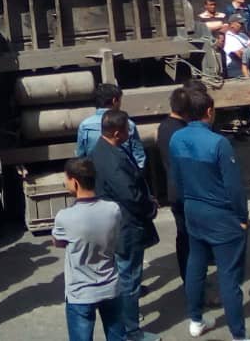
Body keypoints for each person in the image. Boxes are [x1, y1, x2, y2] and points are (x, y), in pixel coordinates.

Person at [170, 88, 250, 341]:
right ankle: (239, 335)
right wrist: (242, 217)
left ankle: (196, 320)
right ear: (208, 111)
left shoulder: (176, 139)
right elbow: (234, 187)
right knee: (229, 276)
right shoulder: (219, 143)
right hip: (221, 215)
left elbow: (178, 180)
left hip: (193, 210)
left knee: (196, 265)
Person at [92, 109, 160, 341]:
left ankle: (122, 326)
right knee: (129, 279)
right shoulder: (112, 160)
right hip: (126, 227)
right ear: (117, 132)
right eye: (126, 131)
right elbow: (130, 194)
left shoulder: (100, 150)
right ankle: (131, 332)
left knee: (122, 276)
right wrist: (149, 207)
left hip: (114, 224)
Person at [52, 157, 124, 341]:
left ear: (74, 182)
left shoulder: (65, 217)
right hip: (110, 287)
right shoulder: (113, 209)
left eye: (66, 179)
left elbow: (58, 242)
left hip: (80, 293)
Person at [156, 85, 192, 283]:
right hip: (188, 193)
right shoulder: (184, 133)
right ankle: (195, 283)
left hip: (173, 190)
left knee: (182, 236)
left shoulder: (163, 127)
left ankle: (188, 278)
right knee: (192, 240)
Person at [76, 84, 147, 169]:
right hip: (122, 177)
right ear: (114, 101)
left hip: (96, 177)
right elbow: (139, 157)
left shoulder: (84, 125)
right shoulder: (127, 124)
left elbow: (81, 157)